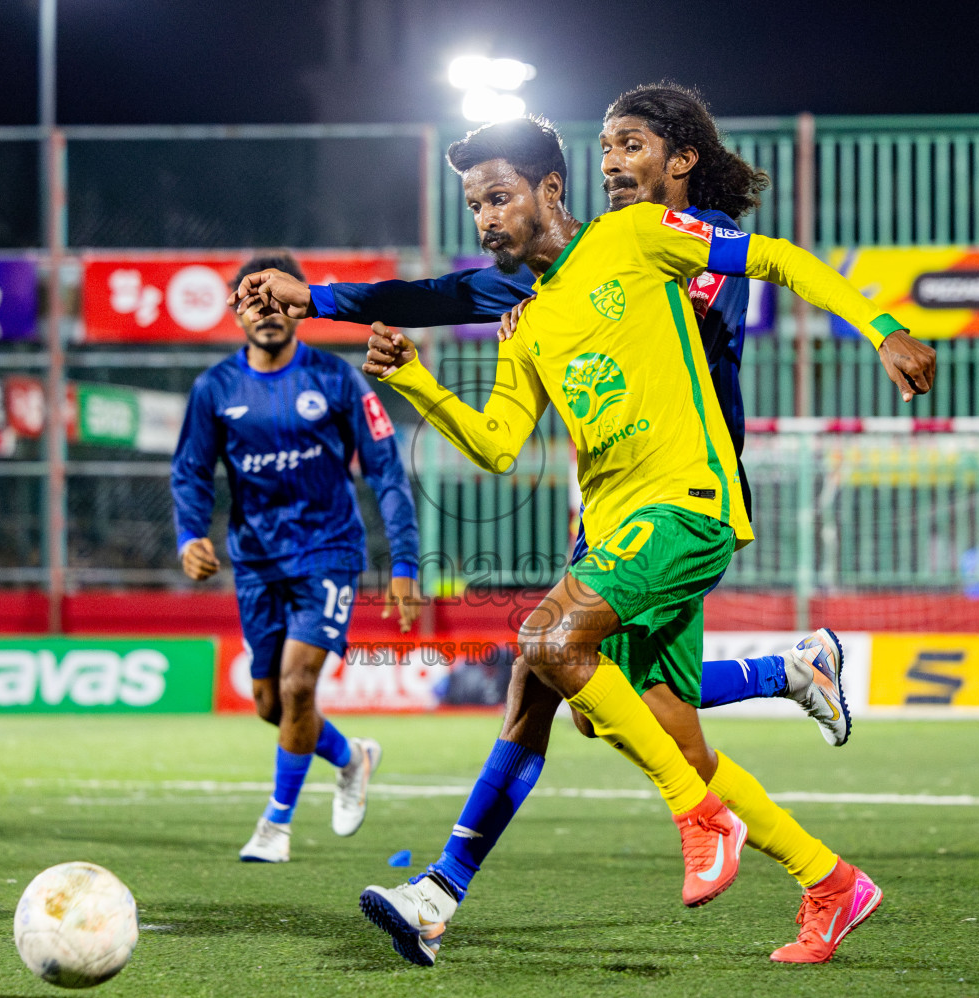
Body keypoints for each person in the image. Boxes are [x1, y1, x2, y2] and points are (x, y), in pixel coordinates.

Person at [341, 116, 909, 966]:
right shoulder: (529, 323)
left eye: (499, 197)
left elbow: (778, 259)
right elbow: (499, 443)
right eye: (474, 206)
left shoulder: (636, 237)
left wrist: (880, 326)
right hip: (614, 527)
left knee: (545, 641)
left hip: (687, 506)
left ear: (550, 192)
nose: (487, 219)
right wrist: (417, 378)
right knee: (638, 716)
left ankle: (682, 816)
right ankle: (829, 882)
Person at [237, 83, 938, 748]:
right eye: (605, 147)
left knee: (572, 670)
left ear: (683, 159)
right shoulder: (585, 258)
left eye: (631, 145)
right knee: (610, 700)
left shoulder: (673, 242)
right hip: (617, 495)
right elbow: (440, 296)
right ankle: (787, 681)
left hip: (687, 488)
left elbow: (760, 276)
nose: (610, 162)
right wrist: (319, 300)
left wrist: (882, 328)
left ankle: (459, 873)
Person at [170, 251, 425, 864]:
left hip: (328, 552)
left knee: (297, 683)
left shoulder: (336, 380)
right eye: (251, 303)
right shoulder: (215, 390)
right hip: (257, 562)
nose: (265, 314)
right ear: (235, 312)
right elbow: (191, 472)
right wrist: (189, 536)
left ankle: (275, 825)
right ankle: (352, 757)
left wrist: (405, 563)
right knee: (271, 704)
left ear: (295, 306)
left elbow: (386, 469)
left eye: (276, 301)